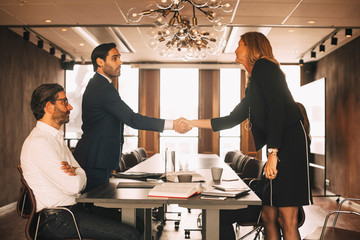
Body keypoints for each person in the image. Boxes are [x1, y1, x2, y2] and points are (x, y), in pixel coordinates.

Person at [181, 32, 312, 240]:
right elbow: (231, 119)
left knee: (287, 218)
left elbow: (278, 109)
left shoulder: (265, 67)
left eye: (240, 44)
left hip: (289, 144)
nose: (236, 48)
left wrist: (273, 153)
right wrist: (191, 123)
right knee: (268, 214)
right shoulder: (253, 85)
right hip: (278, 144)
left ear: (253, 48)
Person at [20, 83, 140, 239]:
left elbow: (81, 174)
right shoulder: (39, 143)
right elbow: (74, 186)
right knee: (131, 234)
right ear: (48, 107)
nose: (70, 107)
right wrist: (78, 173)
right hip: (57, 220)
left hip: (73, 211)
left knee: (138, 223)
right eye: (64, 102)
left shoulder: (55, 138)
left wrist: (77, 172)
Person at [73, 43, 190, 192]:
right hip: (95, 160)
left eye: (119, 58)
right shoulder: (102, 87)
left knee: (99, 204)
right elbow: (132, 119)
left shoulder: (101, 85)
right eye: (114, 58)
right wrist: (173, 124)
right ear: (100, 62)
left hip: (97, 159)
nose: (120, 62)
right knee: (94, 205)